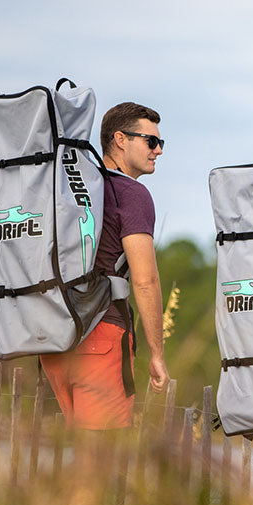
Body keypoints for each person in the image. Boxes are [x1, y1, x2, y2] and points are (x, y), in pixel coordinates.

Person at [40, 102, 170, 430]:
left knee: (77, 454)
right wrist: (157, 354)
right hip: (102, 334)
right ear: (121, 139)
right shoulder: (132, 194)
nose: (158, 151)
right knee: (105, 459)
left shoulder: (67, 191)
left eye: (160, 143)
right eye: (151, 142)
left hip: (52, 337)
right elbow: (145, 280)